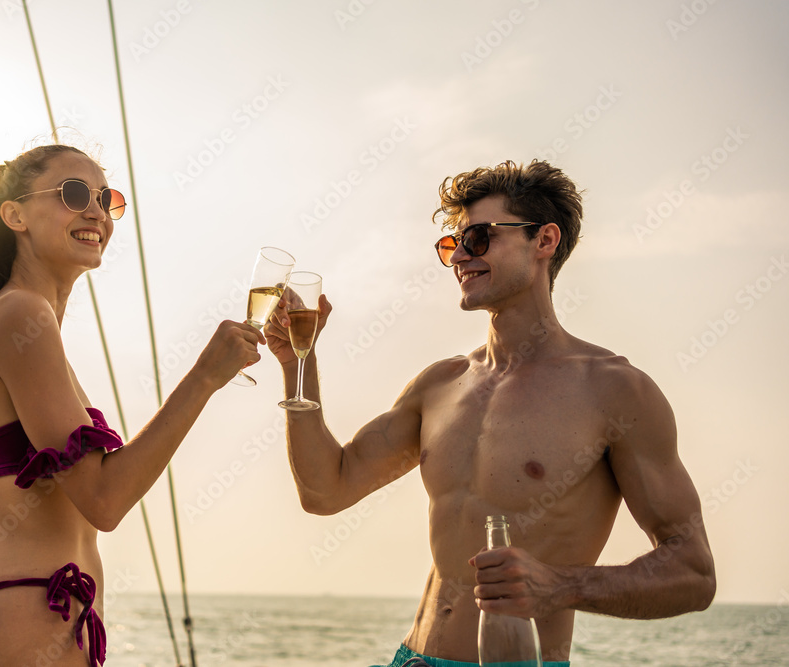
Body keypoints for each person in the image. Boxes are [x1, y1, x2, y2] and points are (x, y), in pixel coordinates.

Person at [264, 159, 716, 666]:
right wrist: (296, 362)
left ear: (544, 241)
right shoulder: (441, 384)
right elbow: (327, 490)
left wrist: (560, 585)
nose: (460, 256)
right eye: (452, 244)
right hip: (410, 659)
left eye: (479, 238)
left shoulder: (614, 390)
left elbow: (693, 572)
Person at [0, 144, 264, 666]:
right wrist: (205, 377)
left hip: (45, 620)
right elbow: (103, 497)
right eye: (74, 194)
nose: (97, 212)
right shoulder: (20, 315)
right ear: (15, 214)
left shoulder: (28, 323)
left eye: (106, 198)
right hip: (27, 621)